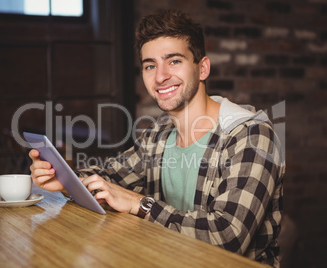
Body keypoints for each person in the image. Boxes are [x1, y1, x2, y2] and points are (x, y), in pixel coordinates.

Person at [29, 9, 284, 267]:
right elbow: (110, 177)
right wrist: (62, 177)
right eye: (150, 65)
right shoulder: (159, 134)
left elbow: (227, 235)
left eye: (174, 61)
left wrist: (140, 204)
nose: (160, 76)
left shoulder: (251, 134)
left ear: (203, 68)